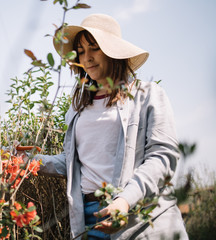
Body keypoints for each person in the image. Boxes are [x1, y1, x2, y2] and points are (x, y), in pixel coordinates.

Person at [27, 14, 188, 240]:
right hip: (91, 220)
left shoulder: (147, 95)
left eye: (94, 48)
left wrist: (124, 200)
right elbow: (74, 162)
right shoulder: (78, 109)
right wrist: (29, 162)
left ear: (112, 50)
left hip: (141, 216)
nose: (87, 58)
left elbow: (163, 156)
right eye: (81, 51)